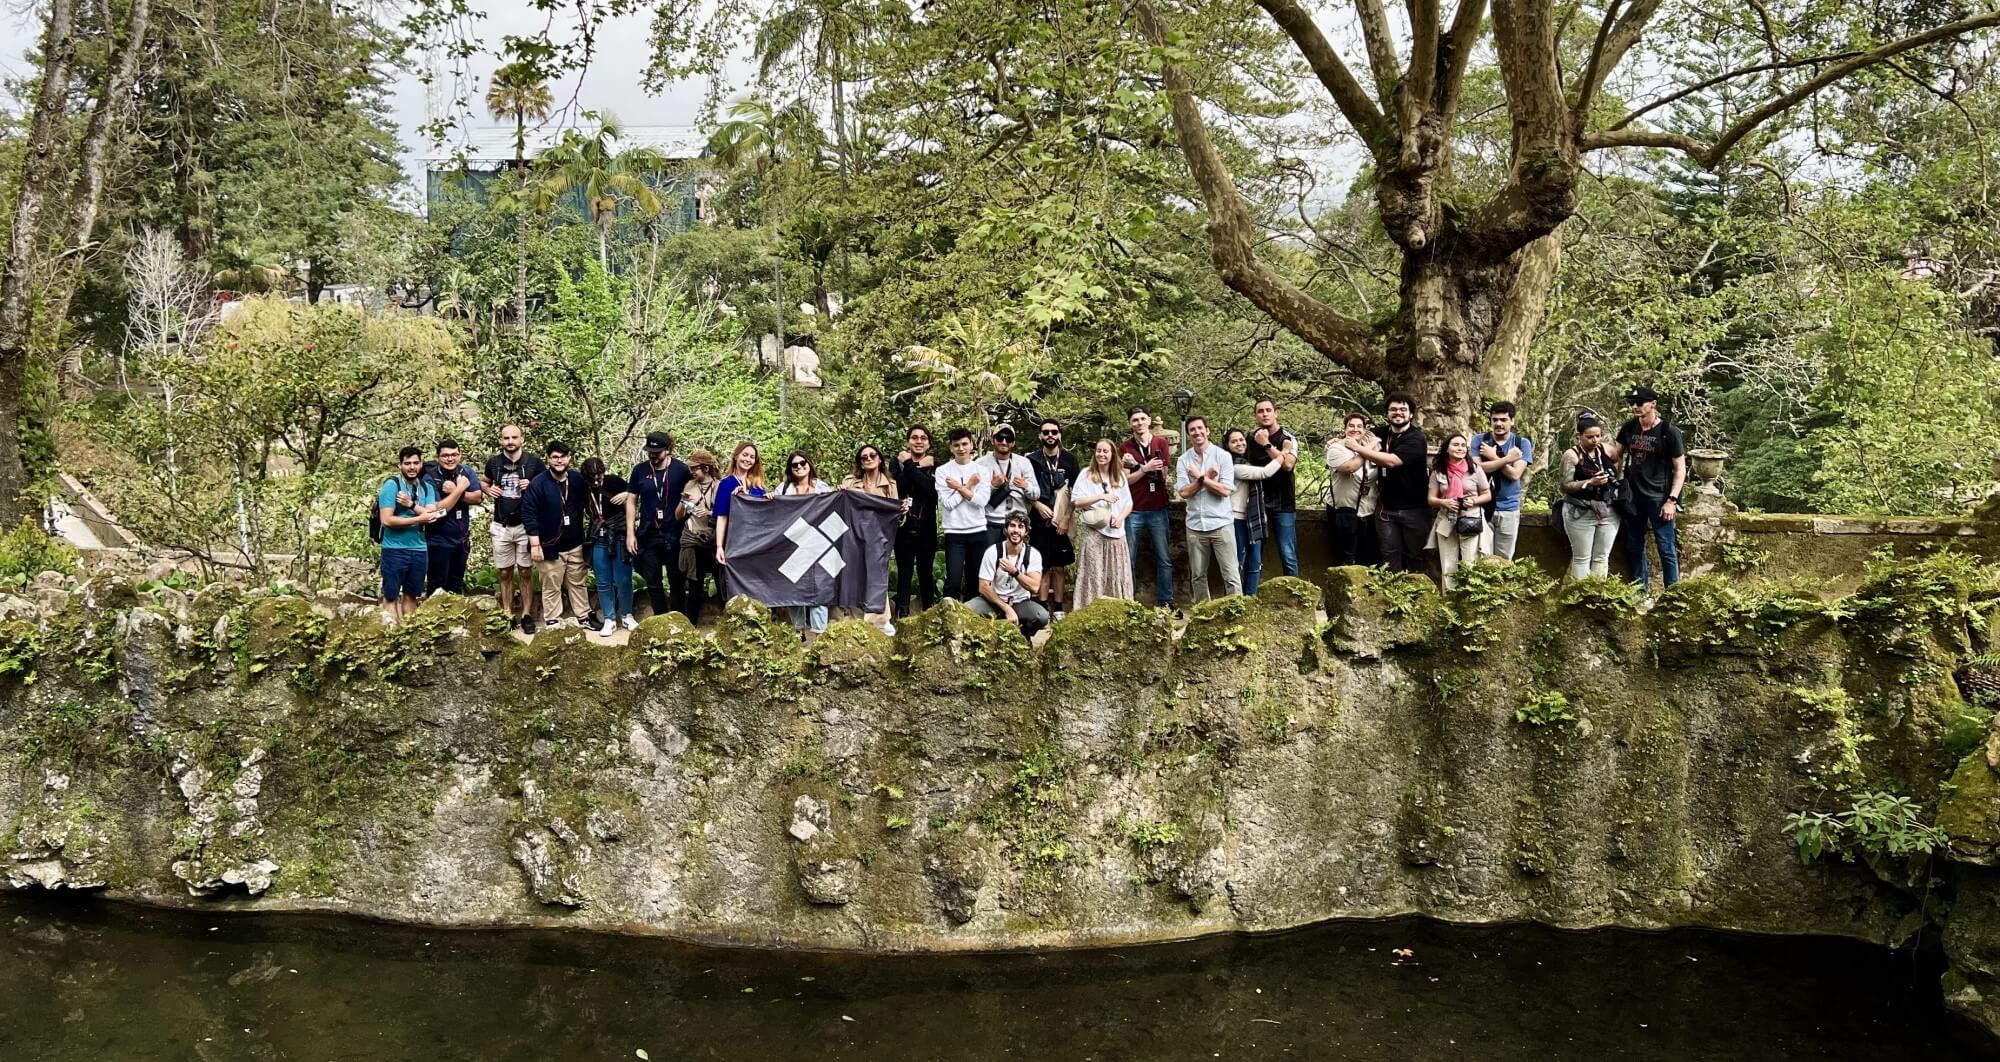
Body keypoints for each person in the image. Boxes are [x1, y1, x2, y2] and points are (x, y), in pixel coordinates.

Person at [1607, 384, 1687, 591]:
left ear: (1653, 404)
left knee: (1666, 547)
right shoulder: (1628, 428)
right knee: (1634, 545)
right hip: (1633, 496)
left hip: (1658, 496)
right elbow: (1617, 455)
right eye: (1632, 403)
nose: (1635, 407)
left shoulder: (1669, 431)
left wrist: (1672, 500)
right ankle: (1639, 590)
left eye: (1640, 403)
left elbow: (1680, 469)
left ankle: (1672, 594)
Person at [1350, 393, 1429, 572]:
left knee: (1414, 555)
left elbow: (1392, 461)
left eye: (1403, 410)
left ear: (1411, 414)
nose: (1398, 413)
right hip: (1386, 508)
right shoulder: (1381, 433)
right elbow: (1357, 434)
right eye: (1393, 409)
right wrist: (1337, 442)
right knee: (1388, 555)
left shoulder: (1416, 438)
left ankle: (1414, 594)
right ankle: (1391, 594)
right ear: (1387, 413)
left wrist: (1358, 448)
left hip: (1414, 509)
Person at [483, 424, 545, 632]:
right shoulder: (494, 462)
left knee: (526, 571)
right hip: (501, 524)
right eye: (506, 438)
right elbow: (484, 482)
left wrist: (533, 484)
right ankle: (508, 614)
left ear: (522, 439)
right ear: (501, 440)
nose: (510, 441)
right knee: (505, 572)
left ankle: (527, 614)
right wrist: (488, 488)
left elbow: (547, 486)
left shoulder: (534, 462)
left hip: (525, 524)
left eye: (514, 437)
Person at [523, 441, 590, 629]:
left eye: (562, 457)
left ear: (569, 458)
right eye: (554, 457)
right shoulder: (538, 483)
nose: (559, 461)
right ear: (549, 459)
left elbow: (594, 497)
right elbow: (529, 514)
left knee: (578, 581)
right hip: (548, 545)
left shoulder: (577, 479)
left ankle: (583, 615)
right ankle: (552, 619)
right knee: (551, 584)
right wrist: (535, 544)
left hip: (575, 542)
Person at [1175, 416, 1240, 602]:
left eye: (1200, 428)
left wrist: (1199, 477)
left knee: (1231, 575)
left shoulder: (1223, 456)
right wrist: (1208, 477)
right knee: (1197, 577)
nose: (1197, 432)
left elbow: (1225, 490)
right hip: (1195, 526)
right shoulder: (1183, 460)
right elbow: (1184, 492)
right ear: (1188, 434)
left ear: (1207, 430)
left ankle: (1237, 613)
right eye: (1192, 430)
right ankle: (1203, 618)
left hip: (1221, 524)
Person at [839, 443, 901, 634]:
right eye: (863, 457)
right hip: (853, 535)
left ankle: (881, 621)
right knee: (855, 573)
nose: (868, 459)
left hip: (878, 537)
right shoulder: (850, 482)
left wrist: (901, 510)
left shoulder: (890, 485)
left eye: (872, 455)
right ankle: (857, 619)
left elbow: (894, 515)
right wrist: (841, 493)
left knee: (876, 575)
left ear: (880, 458)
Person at [630, 431, 691, 621]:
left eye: (657, 452)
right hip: (648, 533)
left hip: (674, 532)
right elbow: (631, 500)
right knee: (653, 583)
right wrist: (631, 533)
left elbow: (692, 496)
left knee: (677, 582)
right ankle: (660, 623)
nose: (653, 456)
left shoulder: (681, 470)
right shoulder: (639, 470)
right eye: (650, 452)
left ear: (668, 450)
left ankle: (678, 622)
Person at [1120, 407, 1176, 613]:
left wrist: (1145, 468)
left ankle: (1166, 601)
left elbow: (1162, 475)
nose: (1139, 423)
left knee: (1164, 557)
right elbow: (1125, 479)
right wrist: (1144, 468)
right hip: (1133, 509)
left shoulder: (1161, 443)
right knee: (1129, 559)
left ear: (1149, 421)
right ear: (1130, 424)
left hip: (1158, 507)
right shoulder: (1125, 447)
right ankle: (1129, 602)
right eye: (1135, 420)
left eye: (1143, 419)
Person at [377, 446, 442, 622]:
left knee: (412, 595)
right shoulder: (392, 486)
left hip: (419, 548)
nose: (412, 467)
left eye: (415, 463)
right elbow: (387, 520)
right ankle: (391, 637)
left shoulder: (427, 488)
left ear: (421, 464)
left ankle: (409, 637)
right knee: (391, 596)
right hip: (394, 549)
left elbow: (432, 516)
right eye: (407, 463)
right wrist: (418, 519)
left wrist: (411, 505)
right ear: (400, 465)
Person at [1070, 439, 1134, 610]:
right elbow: (1076, 501)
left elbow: (1129, 503)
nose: (1101, 454)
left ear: (1112, 454)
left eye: (1105, 451)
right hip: (1095, 530)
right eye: (1099, 451)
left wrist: (1120, 518)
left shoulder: (1119, 476)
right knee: (1094, 573)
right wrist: (1100, 497)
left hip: (1117, 532)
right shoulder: (1086, 474)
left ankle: (1119, 610)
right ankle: (1089, 610)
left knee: (1117, 573)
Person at [1026, 419, 1079, 619]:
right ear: (1040, 435)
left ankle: (1058, 607)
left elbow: (1076, 492)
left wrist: (1066, 519)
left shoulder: (1069, 460)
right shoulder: (1032, 460)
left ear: (1059, 435)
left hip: (1061, 521)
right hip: (1039, 520)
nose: (1050, 435)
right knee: (1042, 566)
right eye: (1046, 432)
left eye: (1054, 432)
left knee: (1059, 566)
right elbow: (1024, 489)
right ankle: (1041, 607)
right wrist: (1037, 505)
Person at [1426, 433, 1494, 590]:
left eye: (1463, 445)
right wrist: (1444, 502)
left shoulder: (1475, 469)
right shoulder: (1438, 472)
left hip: (1470, 520)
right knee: (1448, 566)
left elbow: (1487, 494)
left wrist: (1474, 501)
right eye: (1456, 445)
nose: (1460, 448)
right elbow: (1431, 499)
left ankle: (1471, 602)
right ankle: (1449, 602)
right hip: (1446, 520)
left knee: (1470, 564)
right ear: (1447, 449)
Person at [1560, 411, 1622, 579]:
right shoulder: (1571, 456)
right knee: (1582, 558)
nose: (1595, 440)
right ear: (1579, 436)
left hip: (1607, 510)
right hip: (1580, 510)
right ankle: (1580, 598)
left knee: (1602, 557)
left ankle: (1597, 597)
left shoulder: (1606, 450)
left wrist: (1614, 476)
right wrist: (1589, 482)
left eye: (1598, 436)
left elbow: (1617, 458)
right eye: (1589, 437)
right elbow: (1565, 485)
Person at [777, 450, 832, 639]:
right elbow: (772, 511)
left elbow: (835, 511)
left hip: (817, 544)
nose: (799, 467)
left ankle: (819, 634)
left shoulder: (823, 488)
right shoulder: (783, 489)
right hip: (792, 546)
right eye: (795, 465)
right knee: (794, 590)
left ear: (809, 465)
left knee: (819, 589)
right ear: (790, 468)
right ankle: (798, 630)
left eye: (803, 463)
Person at [581, 457, 639, 635]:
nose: (598, 481)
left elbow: (635, 496)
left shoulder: (615, 482)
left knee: (623, 579)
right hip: (598, 536)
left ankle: (627, 615)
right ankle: (609, 618)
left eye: (600, 476)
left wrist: (628, 494)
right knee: (603, 579)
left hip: (619, 535)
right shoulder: (583, 488)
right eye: (593, 478)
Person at [1223, 428, 1283, 595]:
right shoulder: (1234, 466)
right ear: (1227, 446)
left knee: (1255, 562)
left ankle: (1251, 598)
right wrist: (1284, 453)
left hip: (1253, 520)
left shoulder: (1246, 462)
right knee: (1237, 563)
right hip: (1236, 519)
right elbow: (1265, 472)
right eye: (1234, 441)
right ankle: (1234, 600)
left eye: (1241, 440)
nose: (1239, 444)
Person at [970, 512, 1049, 639]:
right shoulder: (993, 552)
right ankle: (985, 637)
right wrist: (1006, 608)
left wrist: (1015, 572)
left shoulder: (1033, 554)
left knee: (1042, 616)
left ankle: (1022, 635)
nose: (1016, 530)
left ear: (1026, 532)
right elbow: (983, 586)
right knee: (967, 610)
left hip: (1020, 602)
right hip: (994, 601)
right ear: (1006, 529)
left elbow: (1035, 587)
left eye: (1021, 526)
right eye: (1012, 526)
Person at [1472, 401, 1534, 561]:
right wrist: (1507, 459)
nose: (1499, 423)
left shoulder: (1521, 443)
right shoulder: (1479, 440)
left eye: (1503, 420)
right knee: (1481, 558)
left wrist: (1493, 457)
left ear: (1512, 421)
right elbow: (1477, 470)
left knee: (1504, 559)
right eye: (1495, 420)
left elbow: (1514, 474)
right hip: (1481, 506)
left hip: (1509, 509)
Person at [935, 427, 992, 601]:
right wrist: (968, 486)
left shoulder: (981, 471)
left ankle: (972, 615)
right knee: (953, 578)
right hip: (954, 531)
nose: (961, 448)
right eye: (956, 445)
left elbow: (981, 501)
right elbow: (948, 504)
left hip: (977, 530)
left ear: (971, 445)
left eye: (964, 444)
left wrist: (959, 487)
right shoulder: (943, 471)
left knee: (974, 578)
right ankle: (947, 614)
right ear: (951, 447)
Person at [423, 439, 483, 597]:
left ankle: (454, 621)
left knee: (456, 585)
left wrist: (457, 491)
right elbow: (438, 509)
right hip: (438, 540)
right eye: (445, 455)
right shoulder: (430, 477)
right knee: (437, 587)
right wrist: (460, 489)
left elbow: (477, 498)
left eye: (454, 455)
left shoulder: (466, 471)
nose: (450, 459)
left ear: (460, 455)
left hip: (461, 540)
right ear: (438, 457)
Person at [1248, 398, 1301, 577]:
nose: (1264, 414)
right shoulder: (1250, 438)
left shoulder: (1288, 438)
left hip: (1283, 503)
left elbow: (1287, 465)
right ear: (1256, 415)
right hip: (1257, 503)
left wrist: (1267, 445)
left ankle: (1297, 599)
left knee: (1288, 554)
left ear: (1275, 413)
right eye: (1260, 411)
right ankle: (1248, 597)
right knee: (1253, 555)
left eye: (1268, 410)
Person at [892, 426, 940, 619]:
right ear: (908, 442)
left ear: (928, 443)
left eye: (923, 438)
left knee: (925, 573)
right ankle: (902, 616)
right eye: (914, 438)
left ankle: (929, 615)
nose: (918, 441)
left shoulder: (937, 466)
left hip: (926, 526)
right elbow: (899, 486)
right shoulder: (896, 462)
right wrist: (918, 468)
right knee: (904, 573)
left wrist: (911, 466)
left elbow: (930, 489)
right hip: (903, 525)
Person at [713, 441, 768, 605]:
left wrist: (769, 499)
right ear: (736, 456)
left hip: (757, 543)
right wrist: (719, 547)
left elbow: (764, 514)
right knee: (736, 585)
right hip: (735, 543)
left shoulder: (758, 485)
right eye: (745, 455)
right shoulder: (727, 483)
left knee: (756, 585)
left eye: (752, 457)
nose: (748, 459)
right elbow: (721, 517)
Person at [1323, 413, 1381, 566]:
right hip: (1344, 511)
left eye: (1359, 426)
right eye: (1351, 426)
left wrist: (1365, 448)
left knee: (1368, 557)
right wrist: (1367, 450)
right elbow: (1349, 467)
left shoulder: (1375, 447)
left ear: (1365, 429)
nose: (1355, 429)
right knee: (1347, 558)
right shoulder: (1336, 448)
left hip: (1368, 510)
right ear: (1345, 428)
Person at [676, 450, 722, 623]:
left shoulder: (719, 486)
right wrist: (683, 501)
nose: (693, 472)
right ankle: (691, 624)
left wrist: (709, 512)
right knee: (695, 584)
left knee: (721, 582)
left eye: (696, 468)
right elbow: (678, 516)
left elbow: (727, 514)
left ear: (706, 468)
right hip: (693, 539)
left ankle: (727, 622)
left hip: (714, 540)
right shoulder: (690, 485)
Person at [976, 424, 1039, 549]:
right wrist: (993, 486)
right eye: (1000, 438)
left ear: (1013, 443)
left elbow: (1036, 493)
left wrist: (1025, 485)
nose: (1004, 442)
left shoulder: (1023, 463)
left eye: (1008, 438)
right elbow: (975, 499)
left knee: (1016, 562)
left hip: (1018, 522)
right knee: (990, 562)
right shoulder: (980, 463)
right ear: (993, 440)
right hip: (990, 522)